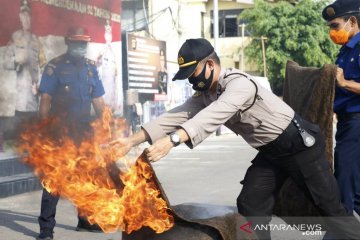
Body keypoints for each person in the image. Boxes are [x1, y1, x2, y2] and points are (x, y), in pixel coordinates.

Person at [111, 38, 360, 239]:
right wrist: (130, 141)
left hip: (299, 145)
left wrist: (172, 141)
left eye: (193, 72)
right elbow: (175, 116)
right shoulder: (207, 94)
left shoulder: (238, 85)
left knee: (330, 209)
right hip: (272, 152)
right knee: (251, 203)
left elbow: (213, 116)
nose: (191, 80)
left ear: (210, 65)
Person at [36, 27, 105, 240]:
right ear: (68, 42)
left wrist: (106, 125)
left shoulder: (91, 69)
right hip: (60, 130)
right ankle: (46, 230)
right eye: (76, 43)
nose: (80, 47)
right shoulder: (55, 66)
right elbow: (45, 99)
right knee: (54, 180)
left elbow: (99, 101)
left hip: (84, 131)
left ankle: (85, 220)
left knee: (86, 176)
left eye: (84, 43)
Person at [322, 0, 360, 218]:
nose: (332, 32)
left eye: (335, 26)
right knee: (355, 189)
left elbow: (345, 83)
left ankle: (340, 232)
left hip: (357, 122)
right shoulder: (346, 51)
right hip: (347, 123)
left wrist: (344, 83)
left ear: (352, 21)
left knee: (344, 181)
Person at [2, 0, 46, 150]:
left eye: (28, 16)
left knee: (34, 139)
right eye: (23, 15)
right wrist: (16, 62)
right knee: (20, 140)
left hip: (34, 98)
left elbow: (44, 65)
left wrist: (40, 86)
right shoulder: (15, 38)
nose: (26, 19)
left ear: (31, 18)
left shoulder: (36, 41)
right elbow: (5, 63)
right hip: (20, 99)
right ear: (20, 17)